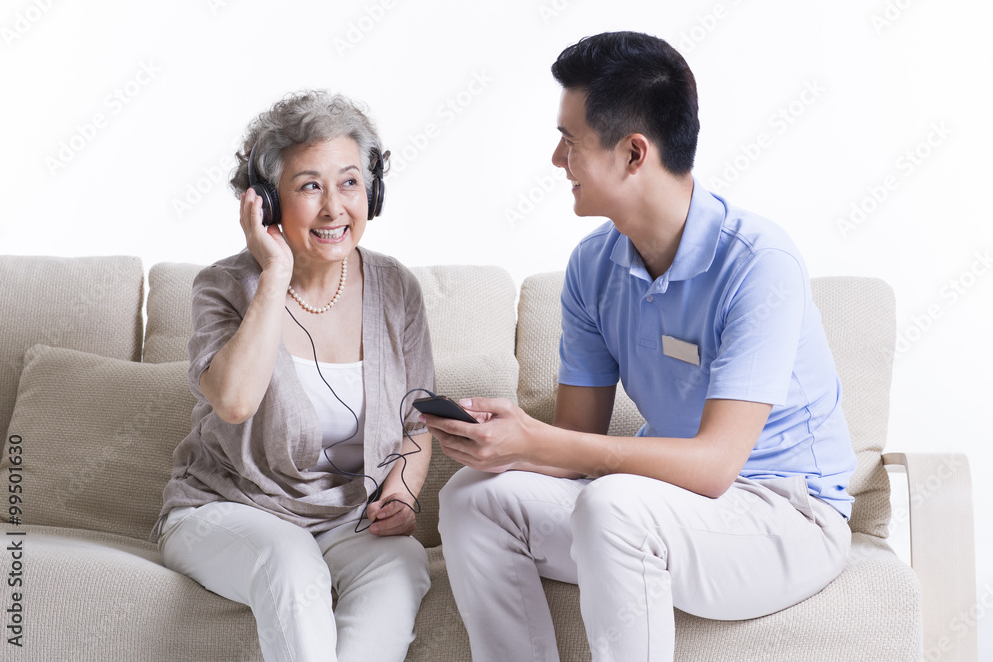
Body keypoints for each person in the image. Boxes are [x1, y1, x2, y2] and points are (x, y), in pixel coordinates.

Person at [426, 32, 858, 661]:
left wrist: (538, 441)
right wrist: (503, 445)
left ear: (633, 154)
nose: (556, 159)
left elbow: (714, 467)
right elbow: (577, 443)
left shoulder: (760, 263)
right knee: (473, 499)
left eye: (569, 141)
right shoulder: (593, 268)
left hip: (786, 515)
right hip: (670, 508)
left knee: (616, 507)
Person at [157, 90, 434, 662]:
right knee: (291, 563)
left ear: (372, 192)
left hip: (344, 517)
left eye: (351, 183)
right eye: (310, 186)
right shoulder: (225, 286)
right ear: (266, 204)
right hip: (228, 509)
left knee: (402, 564)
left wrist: (402, 498)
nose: (335, 208)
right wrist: (276, 271)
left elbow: (417, 420)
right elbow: (233, 402)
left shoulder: (396, 289)